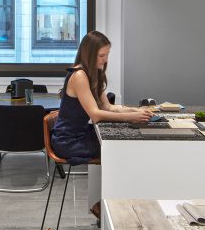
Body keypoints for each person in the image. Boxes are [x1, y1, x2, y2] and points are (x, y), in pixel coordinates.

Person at [50, 30, 152, 166]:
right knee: (119, 146)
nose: (106, 60)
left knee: (120, 141)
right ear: (89, 56)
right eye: (101, 55)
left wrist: (136, 110)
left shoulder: (93, 74)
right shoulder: (79, 76)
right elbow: (95, 115)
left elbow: (107, 107)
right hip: (68, 141)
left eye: (107, 54)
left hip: (80, 134)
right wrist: (131, 117)